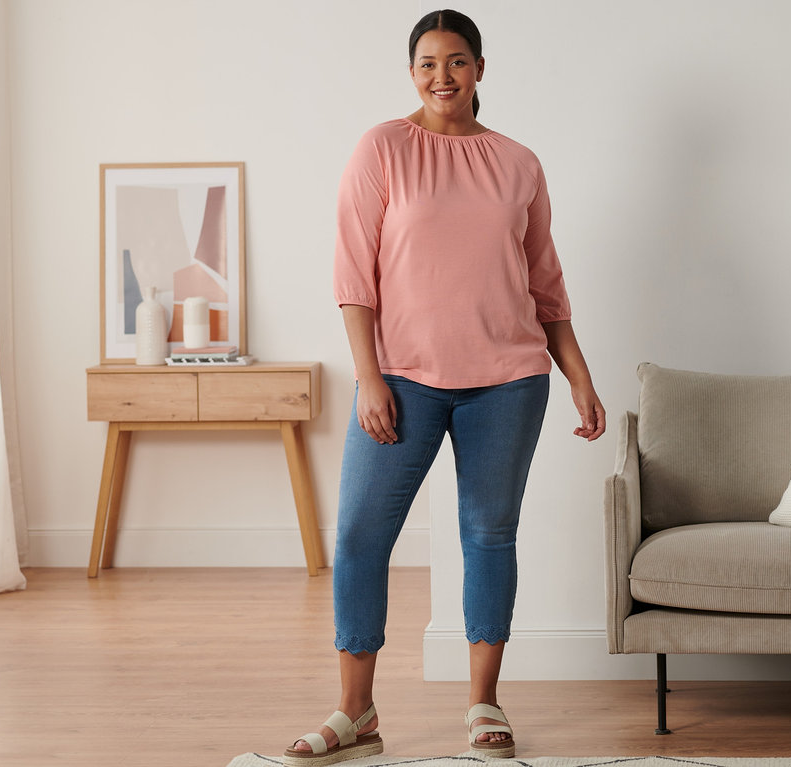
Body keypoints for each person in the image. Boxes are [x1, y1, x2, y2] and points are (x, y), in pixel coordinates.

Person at [283, 8, 605, 766]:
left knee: (488, 538)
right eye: (427, 63)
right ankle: (355, 712)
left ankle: (484, 704)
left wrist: (580, 376)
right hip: (400, 380)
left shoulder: (518, 163)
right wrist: (368, 378)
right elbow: (353, 279)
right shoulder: (381, 150)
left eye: (456, 62)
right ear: (411, 72)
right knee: (362, 537)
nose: (442, 77)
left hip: (509, 380)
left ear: (481, 70)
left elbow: (545, 285)